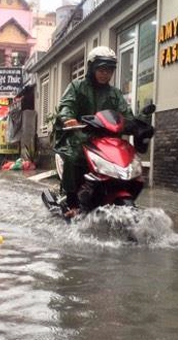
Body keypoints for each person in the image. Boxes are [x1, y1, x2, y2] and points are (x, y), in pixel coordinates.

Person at [55, 46, 134, 217]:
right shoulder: (77, 87)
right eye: (101, 69)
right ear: (92, 68)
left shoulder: (115, 94)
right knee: (72, 157)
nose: (105, 73)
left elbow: (126, 114)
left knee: (128, 160)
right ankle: (72, 202)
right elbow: (66, 105)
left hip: (107, 141)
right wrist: (68, 118)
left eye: (109, 70)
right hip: (80, 138)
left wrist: (137, 124)